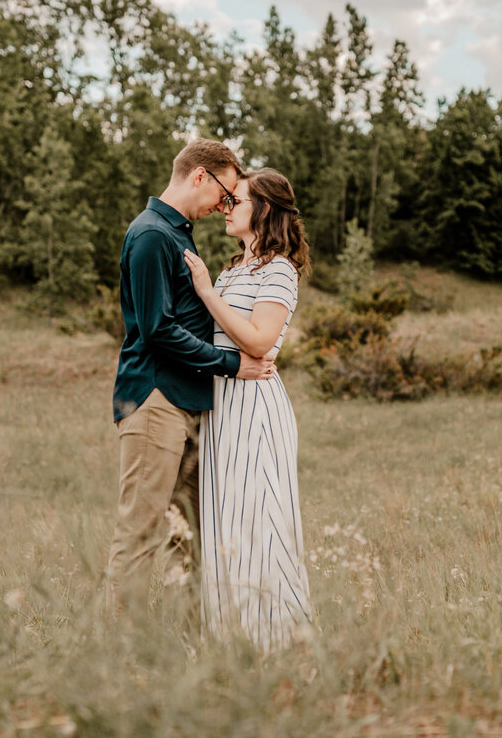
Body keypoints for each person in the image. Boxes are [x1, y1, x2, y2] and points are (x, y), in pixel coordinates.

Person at [108, 140, 275, 617]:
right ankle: (122, 659)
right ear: (200, 176)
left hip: (188, 404)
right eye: (224, 193)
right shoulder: (152, 235)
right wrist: (231, 365)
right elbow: (158, 331)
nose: (224, 206)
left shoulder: (178, 234)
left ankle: (184, 646)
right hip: (155, 401)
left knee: (189, 538)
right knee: (139, 534)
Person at [181, 167, 312, 650]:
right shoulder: (236, 268)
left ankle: (281, 643)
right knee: (226, 524)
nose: (226, 206)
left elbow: (258, 341)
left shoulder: (279, 269)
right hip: (223, 408)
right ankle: (232, 641)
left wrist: (207, 294)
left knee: (260, 521)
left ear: (265, 208)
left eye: (236, 198)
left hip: (255, 408)